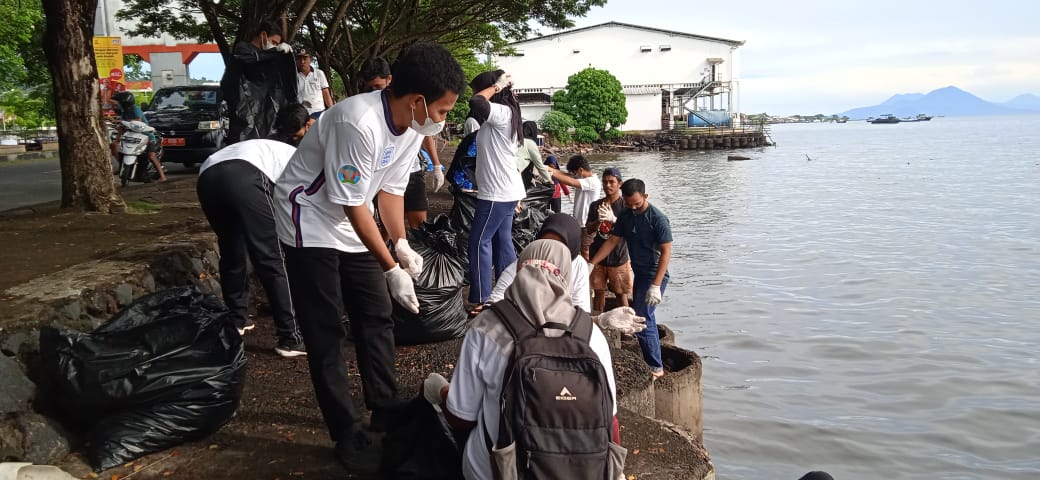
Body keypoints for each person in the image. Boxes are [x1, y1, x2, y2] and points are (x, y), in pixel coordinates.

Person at [271, 42, 465, 473]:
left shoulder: (413, 127)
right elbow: (353, 205)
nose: (443, 118)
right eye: (443, 109)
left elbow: (390, 192)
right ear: (418, 101)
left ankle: (383, 403)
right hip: (309, 216)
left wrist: (400, 243)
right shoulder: (358, 122)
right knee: (325, 328)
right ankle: (345, 431)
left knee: (377, 312)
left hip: (350, 216)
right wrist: (391, 267)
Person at [425, 239, 620, 480]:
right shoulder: (591, 335)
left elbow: (460, 418)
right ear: (566, 277)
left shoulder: (486, 326)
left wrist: (440, 392)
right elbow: (609, 420)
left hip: (498, 472)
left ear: (519, 271)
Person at [196, 103, 312, 357]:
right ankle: (290, 337)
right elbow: (298, 202)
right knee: (271, 255)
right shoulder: (294, 156)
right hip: (244, 175)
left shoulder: (261, 144)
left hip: (207, 176)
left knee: (232, 248)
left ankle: (238, 319)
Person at [589, 179, 672, 377]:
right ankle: (652, 361)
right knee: (642, 315)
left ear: (645, 196)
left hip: (653, 273)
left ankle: (655, 367)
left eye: (638, 204)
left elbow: (666, 253)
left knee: (644, 318)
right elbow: (613, 240)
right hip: (639, 271)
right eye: (629, 204)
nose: (634, 208)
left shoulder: (658, 219)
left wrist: (656, 285)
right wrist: (592, 263)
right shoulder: (626, 215)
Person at [359, 56, 446, 229]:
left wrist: (436, 165)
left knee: (419, 224)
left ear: (389, 79)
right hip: (385, 172)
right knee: (387, 225)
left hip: (412, 170)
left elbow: (425, 132)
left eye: (378, 86)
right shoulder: (366, 110)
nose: (374, 91)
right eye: (370, 88)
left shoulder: (410, 102)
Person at [465, 69, 524, 310]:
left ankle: (482, 299)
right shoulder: (505, 115)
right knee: (502, 241)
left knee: (478, 241)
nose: (478, 94)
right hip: (506, 190)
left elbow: (477, 101)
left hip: (497, 193)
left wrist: (497, 86)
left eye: (482, 88)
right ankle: (507, 294)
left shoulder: (502, 112)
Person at [484, 213, 590, 313]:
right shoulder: (528, 261)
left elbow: (581, 309)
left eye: (559, 245)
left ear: (572, 247)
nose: (550, 250)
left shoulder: (579, 266)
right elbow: (498, 296)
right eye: (545, 243)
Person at [220, 21, 297, 144]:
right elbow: (244, 60)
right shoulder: (243, 49)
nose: (274, 46)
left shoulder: (271, 59)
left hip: (266, 118)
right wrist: (274, 51)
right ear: (263, 35)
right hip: (245, 119)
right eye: (274, 42)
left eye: (277, 44)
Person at [586, 168, 632, 312]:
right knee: (598, 293)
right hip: (597, 257)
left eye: (612, 182)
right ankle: (599, 322)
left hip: (618, 257)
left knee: (621, 294)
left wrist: (614, 220)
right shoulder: (596, 205)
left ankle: (627, 327)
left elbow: (630, 231)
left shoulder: (626, 206)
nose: (608, 185)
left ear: (620, 184)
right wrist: (598, 221)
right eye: (605, 182)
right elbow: (588, 230)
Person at [548, 154, 603, 258]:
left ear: (581, 170)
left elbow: (570, 181)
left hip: (587, 224)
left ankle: (590, 272)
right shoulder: (583, 178)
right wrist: (546, 168)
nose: (573, 175)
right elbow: (566, 175)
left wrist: (550, 172)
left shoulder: (592, 182)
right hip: (578, 222)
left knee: (586, 250)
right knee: (577, 250)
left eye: (574, 173)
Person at [111, 91, 167, 182]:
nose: (118, 104)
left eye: (119, 103)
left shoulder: (135, 109)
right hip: (131, 136)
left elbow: (138, 121)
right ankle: (122, 166)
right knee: (118, 148)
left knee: (151, 155)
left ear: (125, 102)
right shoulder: (124, 112)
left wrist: (126, 123)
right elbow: (122, 127)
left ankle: (162, 176)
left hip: (146, 135)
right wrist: (117, 139)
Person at [295, 49, 334, 116]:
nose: (302, 61)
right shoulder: (293, 76)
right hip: (300, 115)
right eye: (299, 59)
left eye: (305, 58)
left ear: (310, 59)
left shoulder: (319, 73)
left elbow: (326, 93)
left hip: (318, 113)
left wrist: (332, 110)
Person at [516, 121, 552, 189]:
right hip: (517, 176)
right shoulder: (530, 143)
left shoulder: (516, 140)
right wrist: (550, 180)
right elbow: (540, 166)